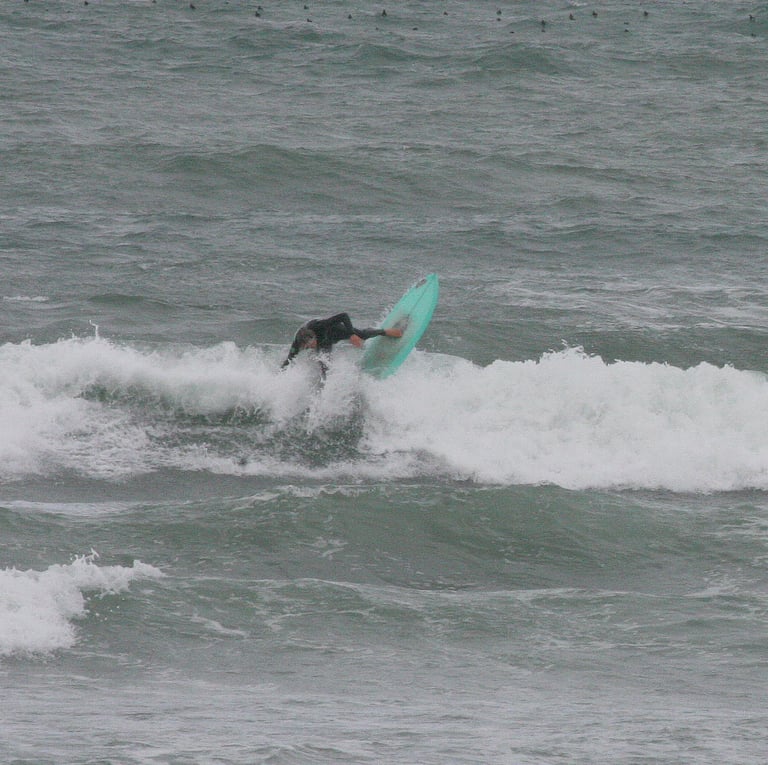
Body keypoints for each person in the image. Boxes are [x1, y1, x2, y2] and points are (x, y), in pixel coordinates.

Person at [281, 312, 402, 374]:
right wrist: (280, 374)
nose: (310, 348)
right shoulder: (298, 343)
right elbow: (289, 360)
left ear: (314, 337)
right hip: (325, 341)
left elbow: (344, 316)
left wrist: (351, 335)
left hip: (334, 331)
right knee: (324, 367)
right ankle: (324, 389)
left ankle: (385, 331)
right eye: (307, 347)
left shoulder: (320, 326)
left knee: (362, 335)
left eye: (310, 345)